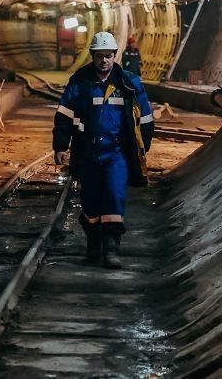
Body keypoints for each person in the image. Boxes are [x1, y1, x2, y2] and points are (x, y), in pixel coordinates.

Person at [52, 31, 153, 269]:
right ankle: (93, 246)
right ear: (92, 56)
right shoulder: (80, 81)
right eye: (99, 56)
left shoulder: (128, 83)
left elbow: (146, 118)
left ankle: (111, 250)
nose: (104, 61)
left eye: (108, 56)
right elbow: (64, 115)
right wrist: (60, 146)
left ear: (115, 56)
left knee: (114, 197)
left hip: (116, 154)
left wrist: (142, 148)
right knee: (90, 203)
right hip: (88, 152)